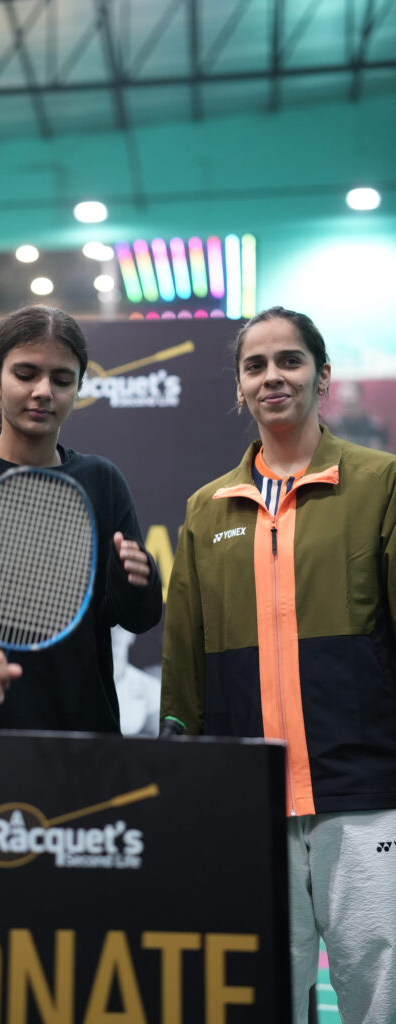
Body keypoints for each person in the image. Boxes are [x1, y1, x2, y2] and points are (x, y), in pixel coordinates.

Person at [160, 306, 396, 1023]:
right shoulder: (206, 510)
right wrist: (189, 778)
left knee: (379, 1000)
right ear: (239, 386)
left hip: (364, 794)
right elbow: (184, 664)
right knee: (261, 997)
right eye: (255, 365)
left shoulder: (380, 482)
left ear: (321, 377)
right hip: (250, 803)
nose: (272, 377)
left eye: (289, 361)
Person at [0, 304, 162, 731]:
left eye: (62, 380)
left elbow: (136, 617)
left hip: (82, 737)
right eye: (25, 374)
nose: (43, 391)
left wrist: (140, 578)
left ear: (79, 387)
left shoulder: (103, 482)